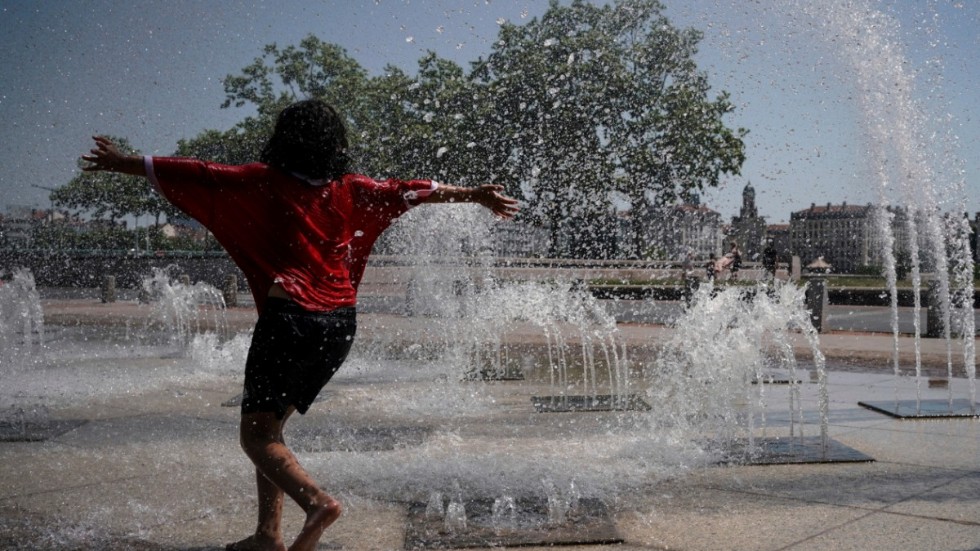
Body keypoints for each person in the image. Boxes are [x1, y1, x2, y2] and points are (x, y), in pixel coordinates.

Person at [80, 99, 519, 551]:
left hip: (290, 320)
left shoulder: (262, 180)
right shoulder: (354, 188)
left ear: (283, 139)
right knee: (272, 431)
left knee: (256, 436)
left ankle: (317, 504)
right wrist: (475, 194)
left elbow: (197, 173)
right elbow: (413, 190)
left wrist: (120, 163)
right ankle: (267, 535)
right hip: (340, 325)